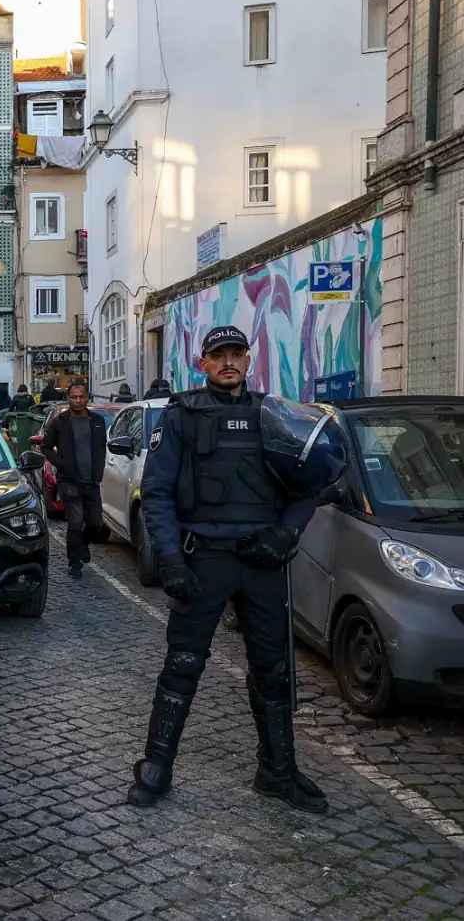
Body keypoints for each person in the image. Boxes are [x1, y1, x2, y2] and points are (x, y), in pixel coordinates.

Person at [128, 325, 342, 813]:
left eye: (237, 354)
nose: (229, 362)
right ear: (202, 363)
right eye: (218, 355)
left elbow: (308, 485)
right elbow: (157, 493)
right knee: (182, 665)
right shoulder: (181, 414)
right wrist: (171, 560)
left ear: (249, 359)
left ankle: (278, 772)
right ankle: (157, 766)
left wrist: (286, 534)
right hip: (203, 559)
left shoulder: (272, 415)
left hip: (261, 560)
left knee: (273, 670)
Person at [41, 380, 106, 579]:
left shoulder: (97, 421)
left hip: (92, 481)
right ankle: (74, 562)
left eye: (81, 397)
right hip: (69, 481)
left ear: (87, 397)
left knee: (96, 525)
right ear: (68, 398)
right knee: (75, 522)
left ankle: (83, 544)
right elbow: (45, 446)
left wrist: (99, 471)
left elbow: (102, 447)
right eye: (73, 397)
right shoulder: (60, 421)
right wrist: (61, 463)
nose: (78, 401)